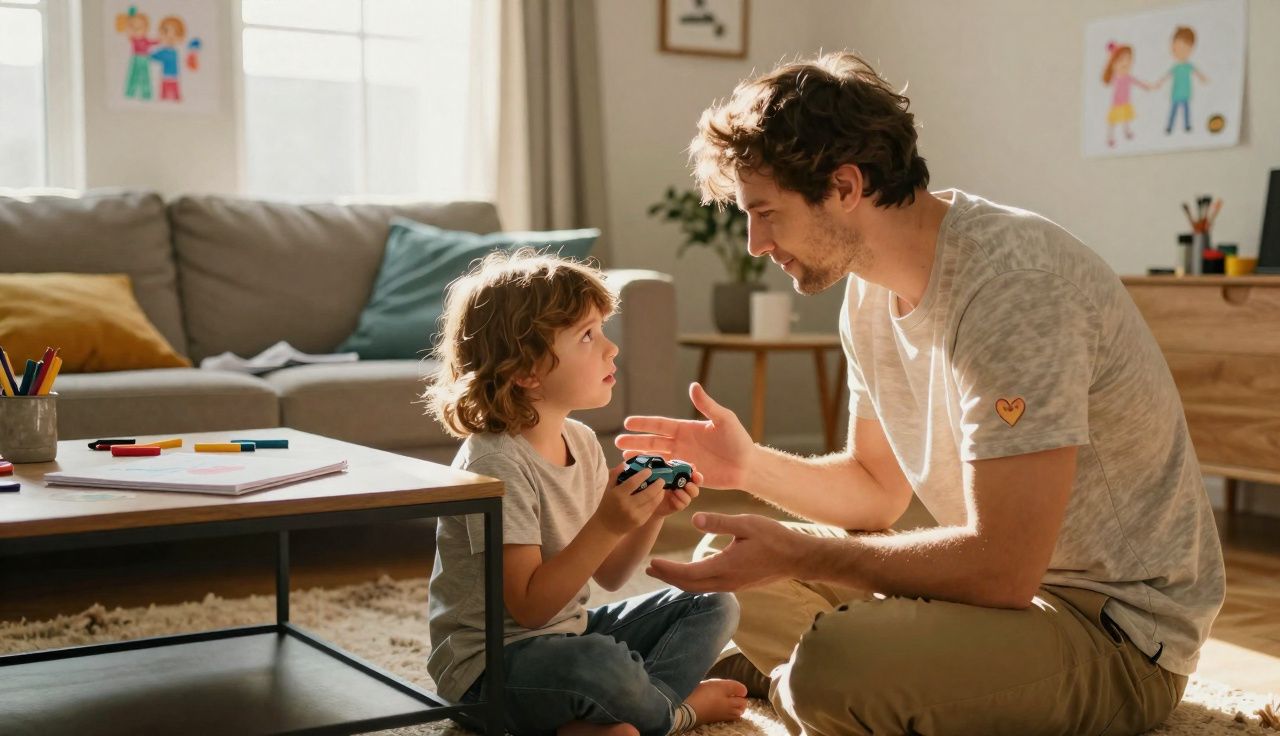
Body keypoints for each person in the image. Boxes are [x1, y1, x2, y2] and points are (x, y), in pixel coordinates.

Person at [618, 52, 1225, 735]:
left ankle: (813, 683)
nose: (756, 243)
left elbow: (1003, 569)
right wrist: (747, 466)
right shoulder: (868, 296)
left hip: (1112, 635)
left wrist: (802, 553)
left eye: (766, 213)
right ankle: (849, 684)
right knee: (725, 576)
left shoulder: (1014, 285)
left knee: (835, 664)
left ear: (844, 185)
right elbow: (877, 489)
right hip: (999, 609)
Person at [423, 250, 748, 736]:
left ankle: (594, 721)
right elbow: (530, 608)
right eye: (588, 336)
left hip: (566, 637)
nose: (611, 349)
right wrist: (608, 523)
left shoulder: (579, 441)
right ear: (526, 370)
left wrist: (650, 514)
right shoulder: (495, 462)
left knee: (713, 601)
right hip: (489, 671)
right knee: (597, 661)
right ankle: (674, 712)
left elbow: (613, 574)